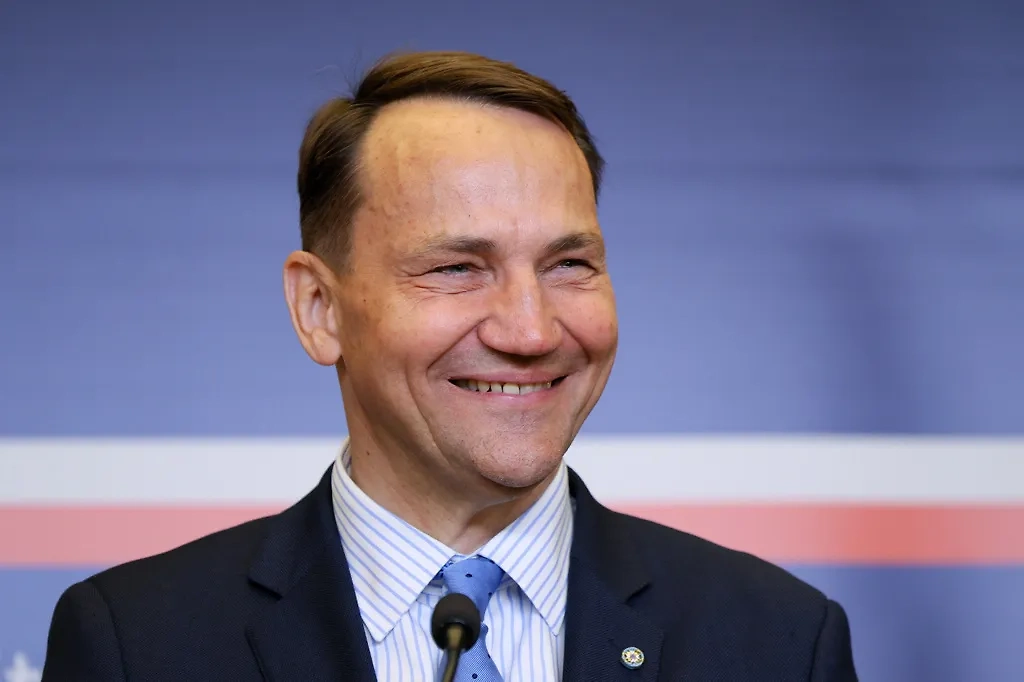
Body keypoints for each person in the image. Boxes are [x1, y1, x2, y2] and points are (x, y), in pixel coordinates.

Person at [41, 51, 858, 681]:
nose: (531, 330)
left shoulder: (779, 640)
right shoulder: (137, 643)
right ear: (320, 309)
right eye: (458, 268)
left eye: (569, 264)